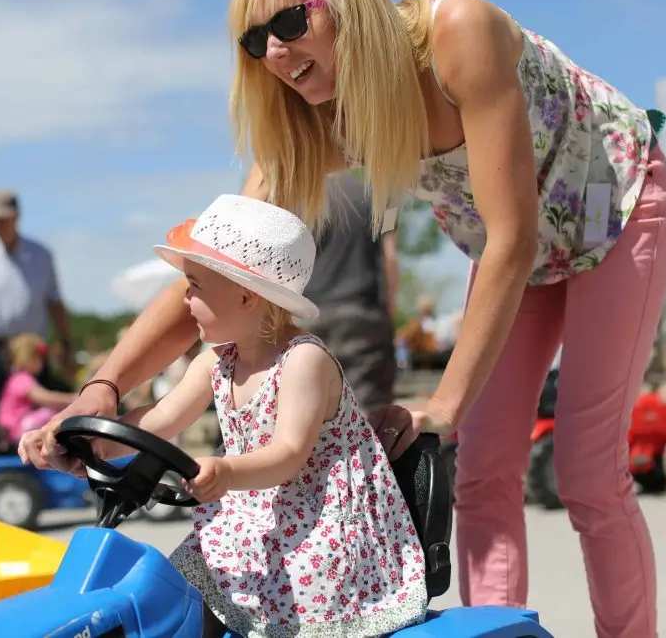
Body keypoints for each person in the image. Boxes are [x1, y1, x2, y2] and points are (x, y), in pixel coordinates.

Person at [23, 0, 666, 637]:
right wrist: (104, 387)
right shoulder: (316, 123)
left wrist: (445, 404)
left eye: (288, 23)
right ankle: (499, 627)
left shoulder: (456, 34)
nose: (275, 51)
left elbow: (514, 234)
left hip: (616, 210)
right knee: (480, 473)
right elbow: (217, 270)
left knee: (587, 471)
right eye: (256, 40)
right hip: (515, 248)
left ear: (346, 2)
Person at [60, 195, 427, 636]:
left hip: (319, 531)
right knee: (170, 592)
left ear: (246, 296)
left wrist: (227, 471)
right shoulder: (215, 363)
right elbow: (158, 421)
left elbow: (289, 453)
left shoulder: (303, 362)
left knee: (288, 588)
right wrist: (88, 440)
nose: (186, 299)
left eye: (195, 285)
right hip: (250, 523)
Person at [300, 169, 399, 415]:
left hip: (304, 315)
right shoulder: (379, 197)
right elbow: (390, 257)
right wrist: (390, 312)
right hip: (361, 313)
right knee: (368, 414)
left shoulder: (296, 198)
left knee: (303, 413)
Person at [0, 189, 75, 413]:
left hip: (32, 347)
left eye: (3, 219)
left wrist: (66, 342)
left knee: (41, 413)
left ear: (16, 216)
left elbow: (54, 301)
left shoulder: (41, 255)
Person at [0, 333, 80, 444]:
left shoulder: (17, 377)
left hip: (13, 429)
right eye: (39, 358)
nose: (42, 363)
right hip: (16, 429)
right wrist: (73, 399)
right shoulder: (22, 378)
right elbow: (45, 397)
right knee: (51, 414)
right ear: (29, 357)